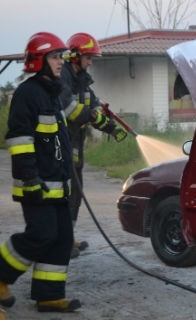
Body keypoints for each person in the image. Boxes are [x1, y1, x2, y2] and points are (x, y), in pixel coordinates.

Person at [0, 31, 81, 313]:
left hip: (57, 183)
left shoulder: (52, 92)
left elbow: (56, 140)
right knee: (42, 235)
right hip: (35, 183)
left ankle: (49, 295)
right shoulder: (29, 94)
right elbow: (20, 140)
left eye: (61, 56)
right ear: (39, 61)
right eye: (55, 56)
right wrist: (30, 179)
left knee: (61, 238)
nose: (61, 62)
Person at [59, 32, 127, 259]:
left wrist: (109, 125)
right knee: (65, 192)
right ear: (75, 56)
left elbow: (94, 106)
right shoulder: (63, 79)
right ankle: (61, 242)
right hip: (62, 144)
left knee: (76, 192)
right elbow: (70, 110)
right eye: (88, 57)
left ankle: (68, 238)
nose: (90, 62)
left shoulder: (82, 80)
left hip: (76, 142)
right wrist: (92, 115)